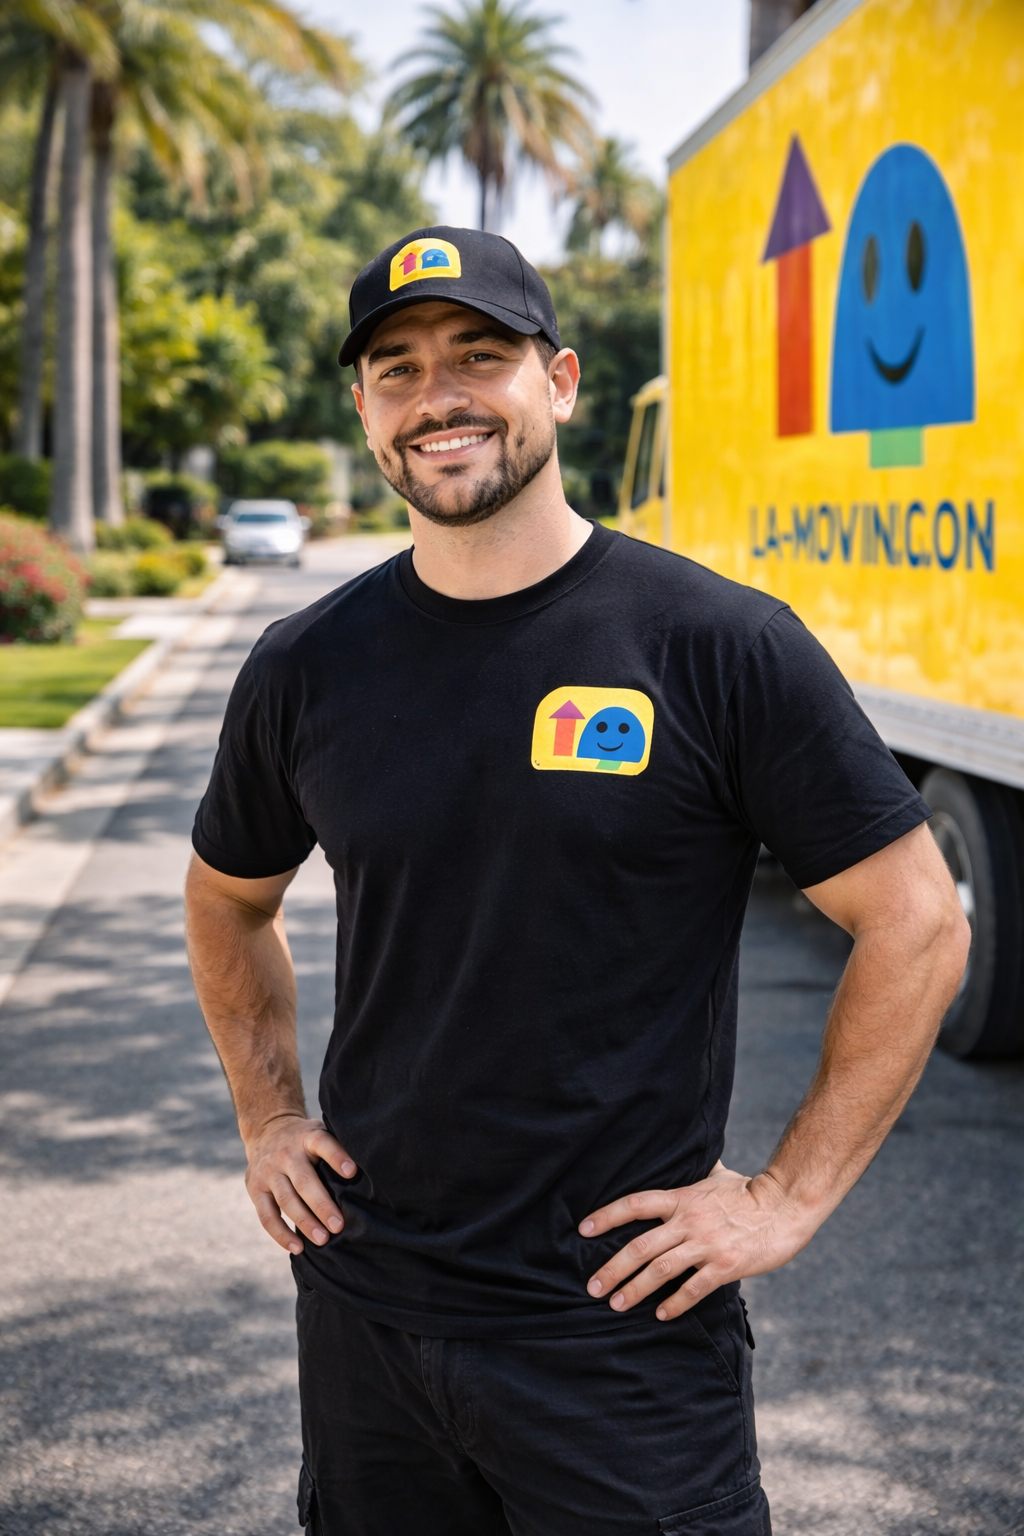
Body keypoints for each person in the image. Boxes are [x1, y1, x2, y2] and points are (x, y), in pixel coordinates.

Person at [184, 225, 969, 1536]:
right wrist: (267, 1118)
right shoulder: (307, 665)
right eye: (396, 367)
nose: (436, 395)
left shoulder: (718, 646)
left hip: (621, 1339)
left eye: (478, 355)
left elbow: (920, 923)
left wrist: (785, 1198)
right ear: (365, 408)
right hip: (368, 1317)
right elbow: (227, 898)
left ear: (559, 381)